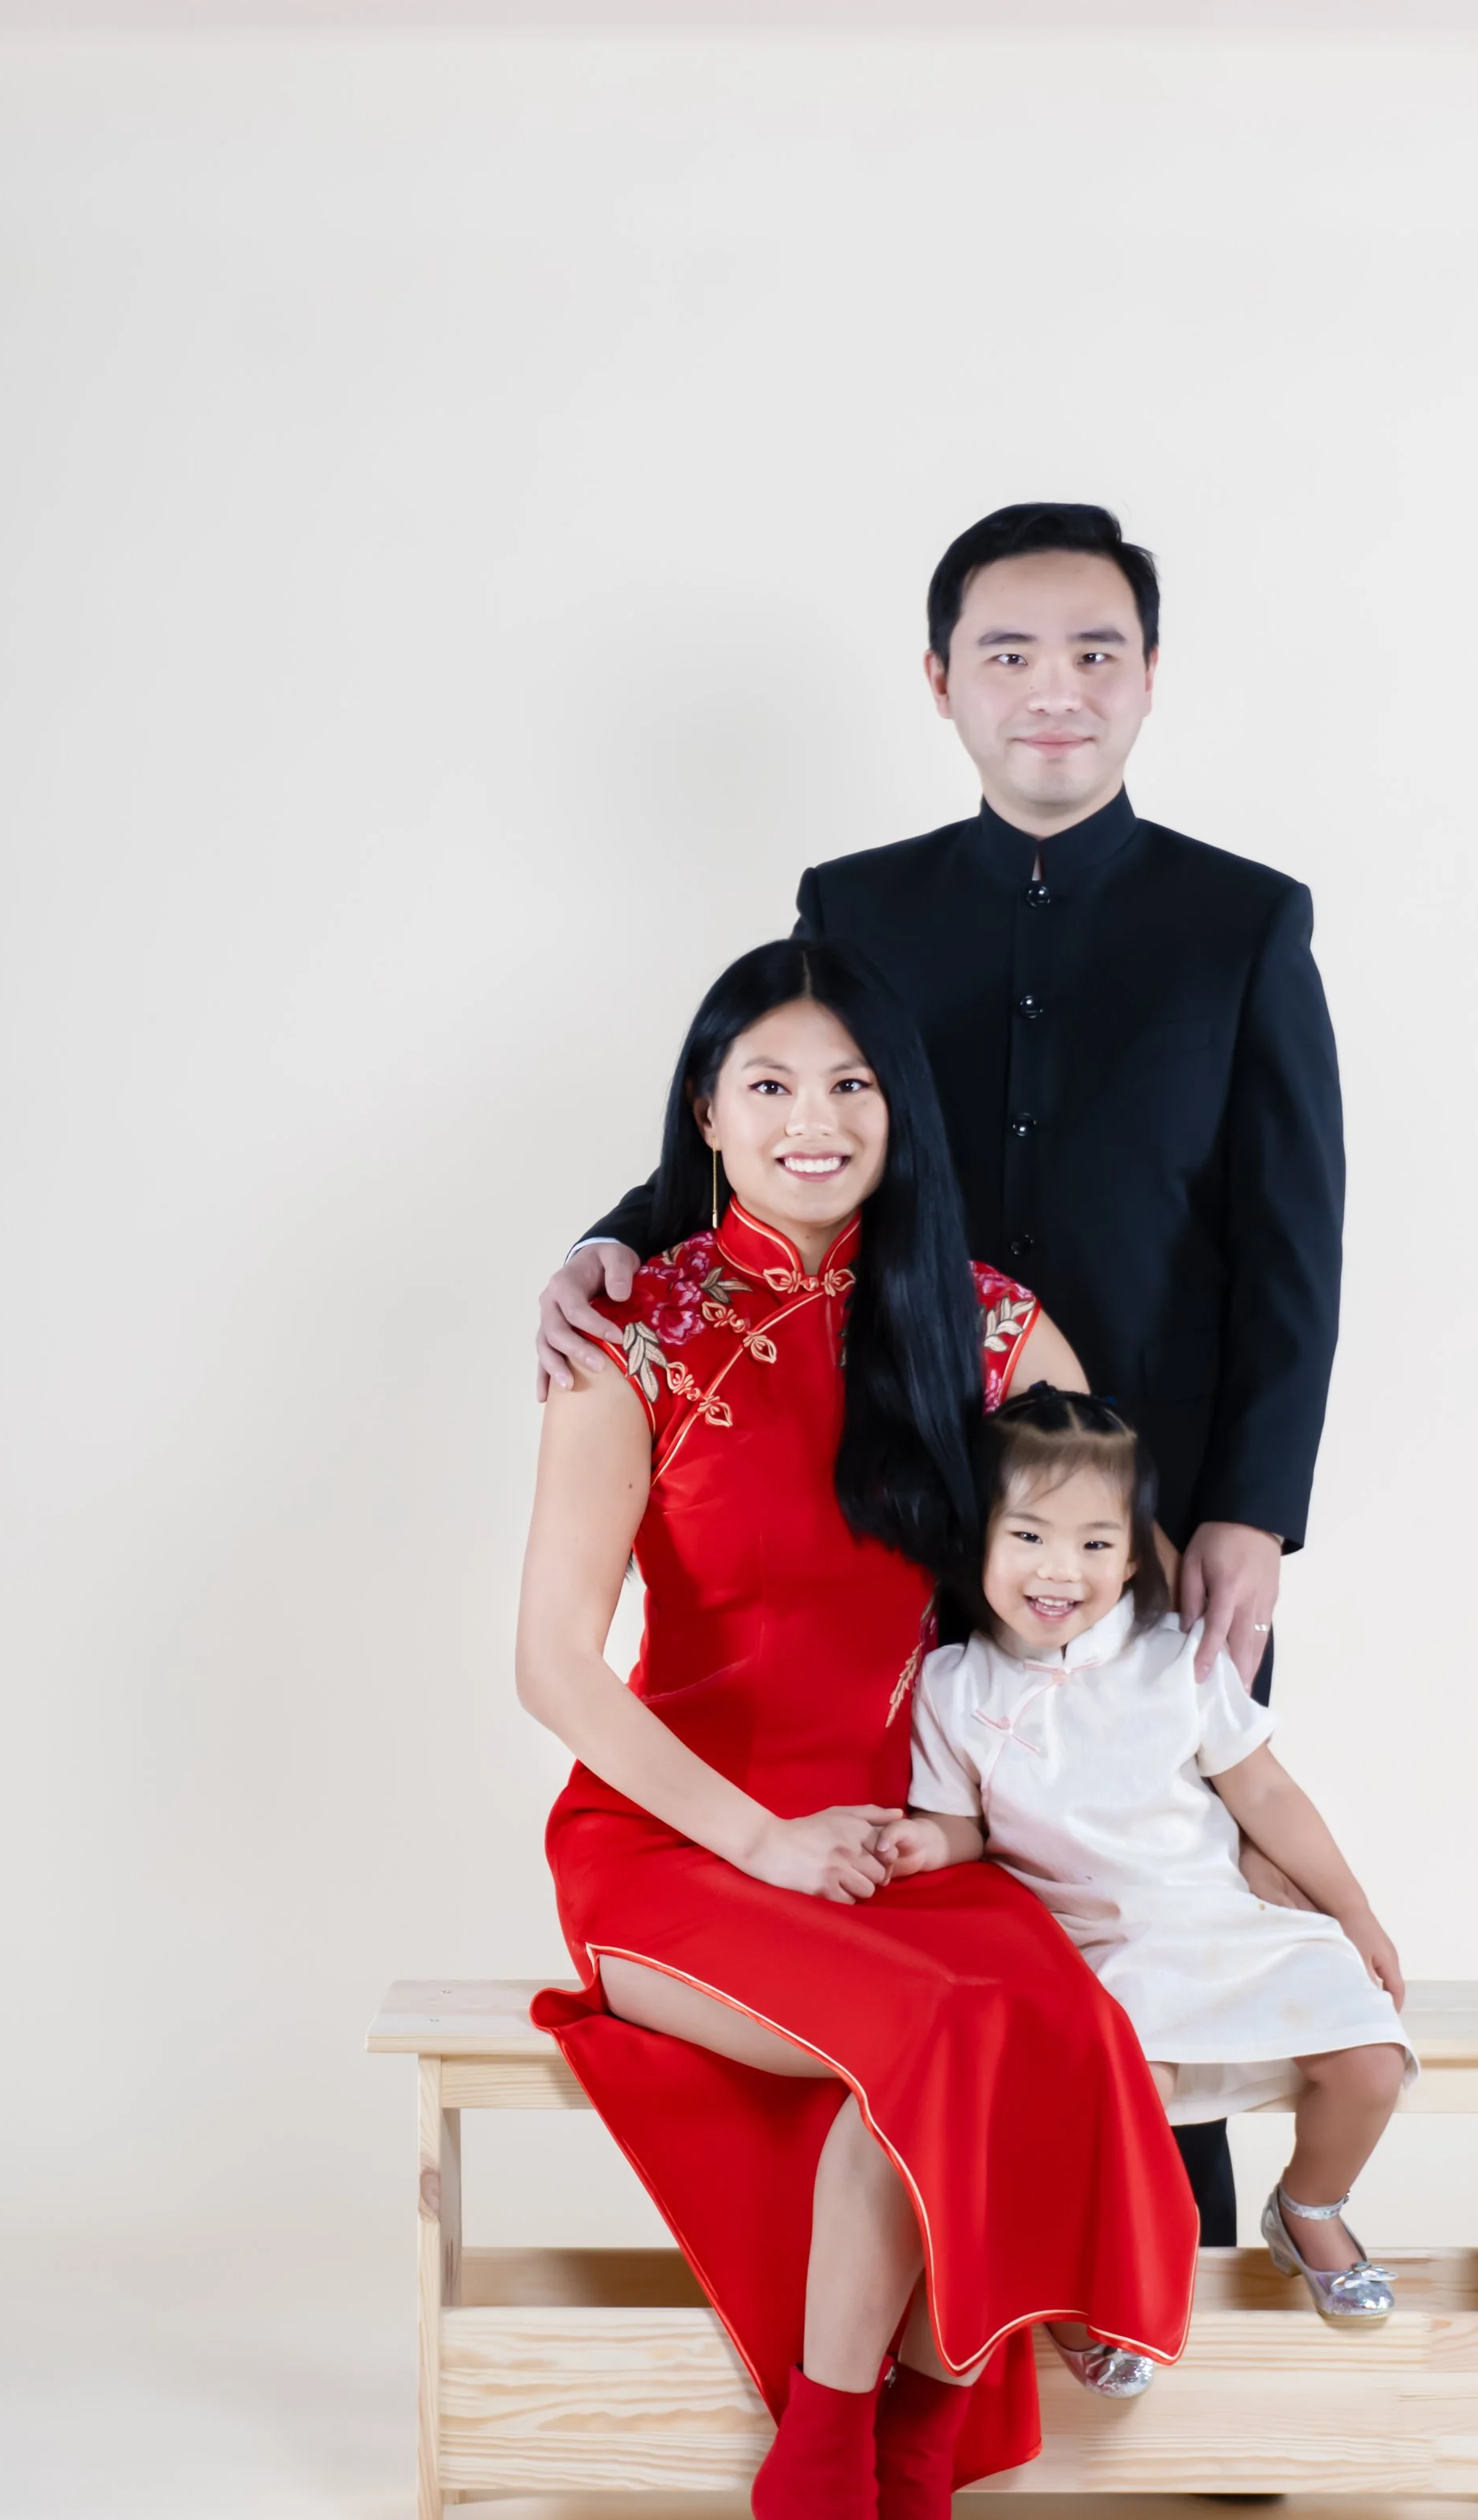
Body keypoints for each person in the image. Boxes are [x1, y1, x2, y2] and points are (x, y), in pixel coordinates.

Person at [536, 501, 1347, 2248]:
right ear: (938, 683)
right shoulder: (862, 905)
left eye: (1093, 653)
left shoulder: (1240, 923)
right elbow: (775, 1116)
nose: (1050, 690)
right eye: (1006, 654)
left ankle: (1166, 2288)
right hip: (903, 1485)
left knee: (1156, 1874)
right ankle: (952, 2280)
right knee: (974, 1887)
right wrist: (605, 1241)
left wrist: (1246, 1515)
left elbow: (1293, 1247)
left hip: (1127, 1520)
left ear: (1145, 681)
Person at [515, 938, 1198, 2520]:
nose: (811, 1122)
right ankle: (820, 2468)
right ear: (705, 1112)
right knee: (931, 2034)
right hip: (675, 1843)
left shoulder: (981, 1324)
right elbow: (553, 1668)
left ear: (899, 1112)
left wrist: (1030, 1815)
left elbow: (1084, 1594)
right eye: (767, 1085)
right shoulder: (631, 1334)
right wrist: (756, 1839)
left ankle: (911, 2470)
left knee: (1025, 2009)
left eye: (850, 1086)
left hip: (907, 1835)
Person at [879, 1386, 1412, 2391]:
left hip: (1224, 1922)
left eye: (1093, 1544)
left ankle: (1308, 2209)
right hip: (1097, 1951)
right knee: (1125, 2112)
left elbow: (1265, 1792)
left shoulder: (1179, 1663)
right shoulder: (954, 1687)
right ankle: (1087, 2285)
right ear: (977, 1539)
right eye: (1028, 1534)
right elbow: (961, 1825)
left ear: (1132, 1557)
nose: (1058, 1570)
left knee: (1370, 2061)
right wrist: (923, 1848)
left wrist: (1352, 1913)